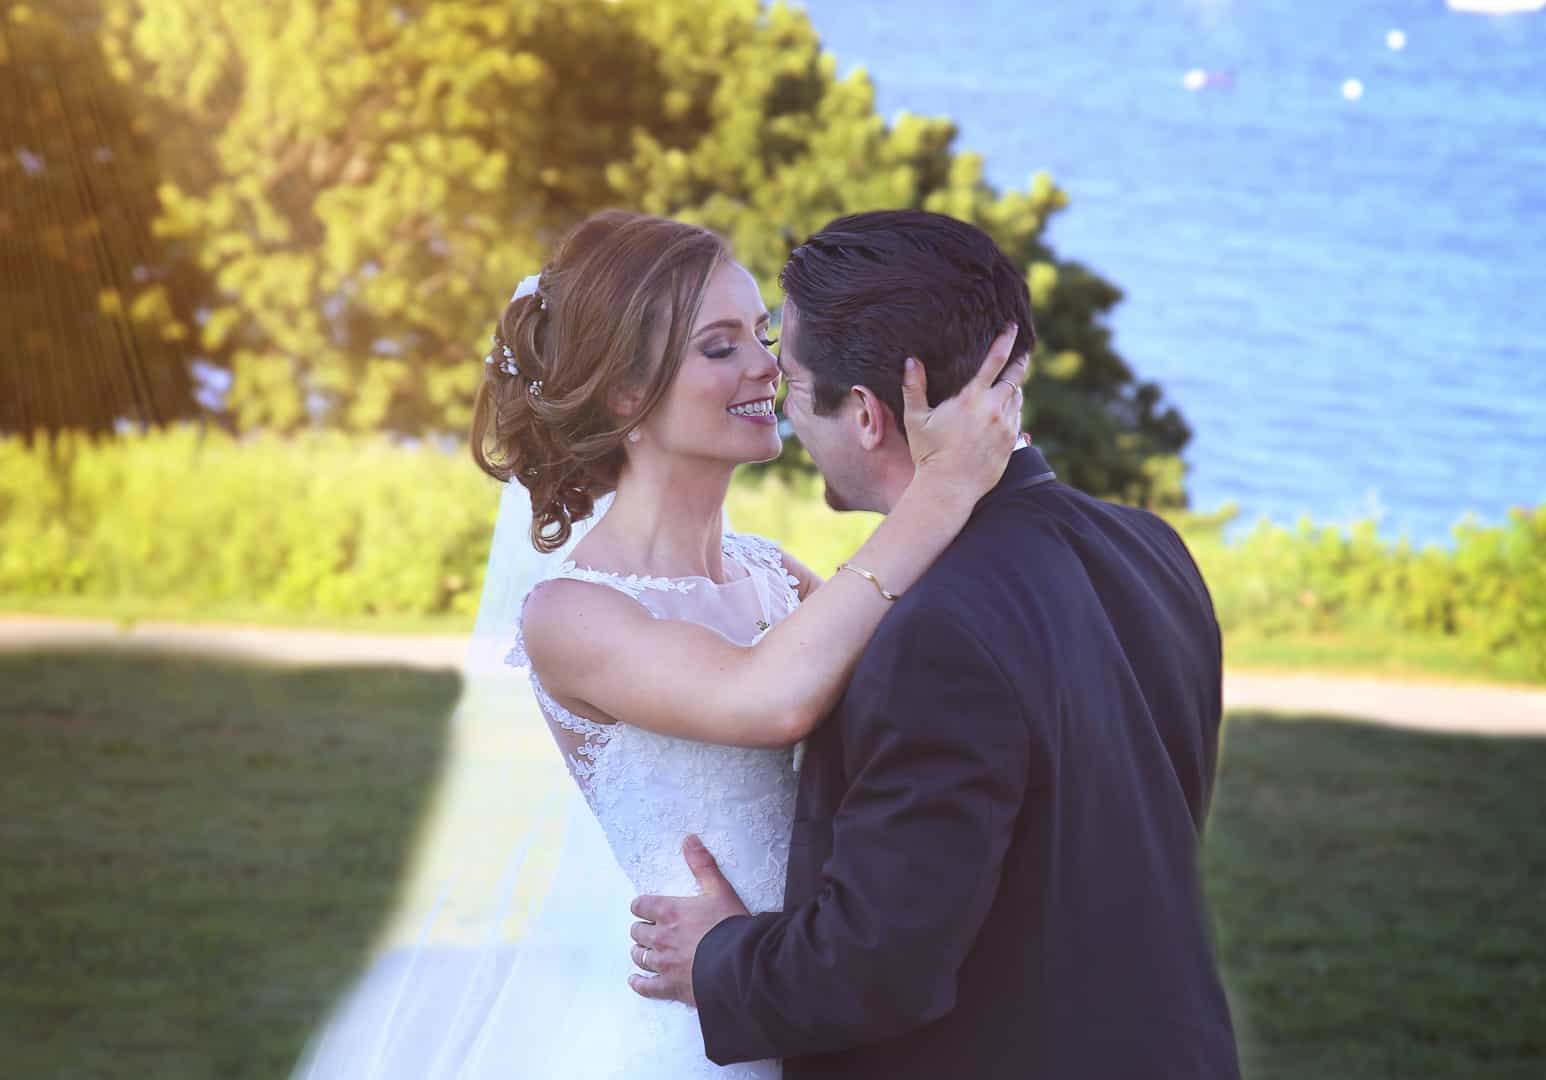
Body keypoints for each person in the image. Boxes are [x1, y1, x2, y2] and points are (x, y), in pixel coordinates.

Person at [289, 208, 1023, 1079]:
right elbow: (769, 698)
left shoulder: (777, 578)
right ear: (625, 394)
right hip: (699, 1042)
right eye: (720, 347)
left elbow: (922, 703)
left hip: (821, 1008)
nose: (772, 366)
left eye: (760, 334)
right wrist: (945, 489)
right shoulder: (570, 615)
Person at [626, 210, 1243, 1078]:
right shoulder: (1148, 549)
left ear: (871, 416)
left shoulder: (931, 632)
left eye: (796, 384)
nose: (780, 401)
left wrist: (717, 958)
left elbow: (874, 968)